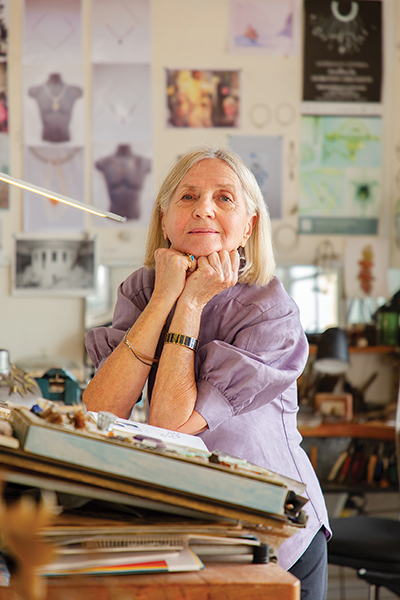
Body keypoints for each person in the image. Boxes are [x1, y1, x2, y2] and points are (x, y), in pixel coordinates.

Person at [83, 145, 330, 599]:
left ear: (249, 224)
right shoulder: (141, 289)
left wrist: (191, 302)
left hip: (269, 527)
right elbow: (101, 408)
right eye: (188, 196)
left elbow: (172, 425)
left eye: (225, 198)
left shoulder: (270, 311)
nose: (204, 209)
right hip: (186, 517)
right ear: (164, 218)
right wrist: (163, 298)